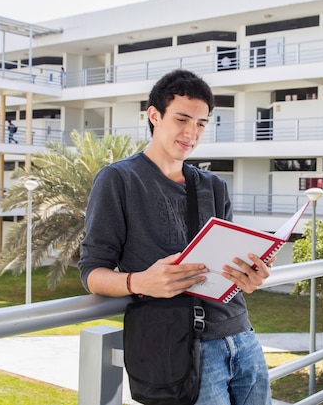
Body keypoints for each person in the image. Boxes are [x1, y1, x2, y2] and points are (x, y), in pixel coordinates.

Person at [78, 69, 272, 404]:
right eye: (182, 119)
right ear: (154, 115)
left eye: (201, 123)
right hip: (182, 348)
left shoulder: (213, 186)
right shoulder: (118, 180)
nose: (191, 133)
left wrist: (248, 276)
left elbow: (226, 265)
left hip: (243, 336)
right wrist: (138, 282)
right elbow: (92, 273)